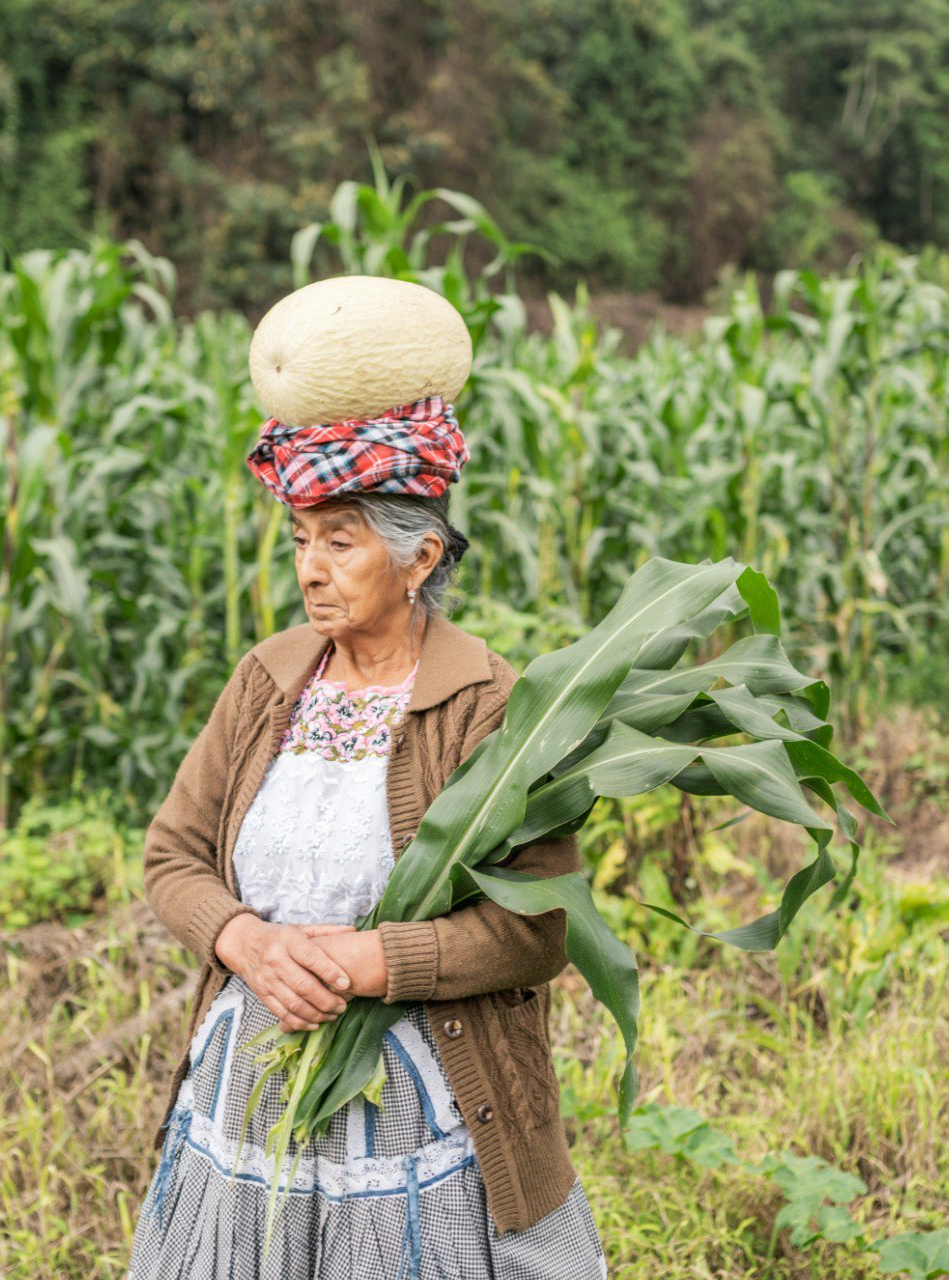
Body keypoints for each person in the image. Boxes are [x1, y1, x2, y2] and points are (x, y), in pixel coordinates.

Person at [123, 391, 608, 1278]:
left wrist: (362, 963)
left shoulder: (492, 707)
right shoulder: (268, 680)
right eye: (302, 540)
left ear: (419, 556)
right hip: (249, 1099)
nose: (310, 568)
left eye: (339, 542)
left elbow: (538, 929)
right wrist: (247, 942)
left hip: (421, 1108)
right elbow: (172, 856)